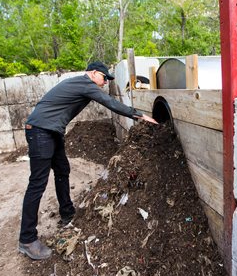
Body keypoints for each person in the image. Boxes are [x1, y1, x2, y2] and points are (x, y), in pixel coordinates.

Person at [18, 61, 158, 260]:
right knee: (37, 183)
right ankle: (27, 239)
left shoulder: (80, 84)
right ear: (93, 73)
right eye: (103, 78)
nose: (104, 83)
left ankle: (67, 213)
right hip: (41, 131)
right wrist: (139, 115)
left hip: (51, 131)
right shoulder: (85, 83)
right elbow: (109, 102)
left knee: (62, 170)